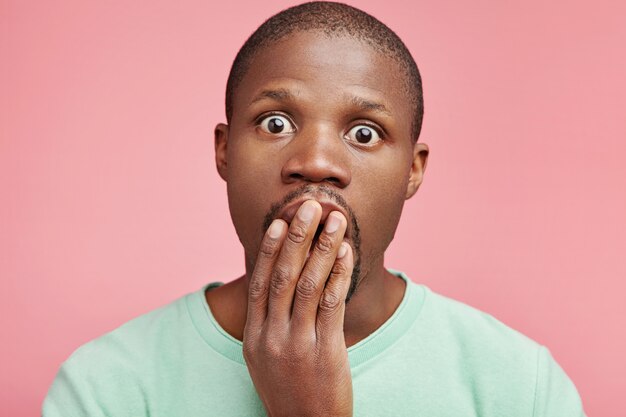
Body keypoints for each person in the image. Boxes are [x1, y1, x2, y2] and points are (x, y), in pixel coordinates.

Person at [43, 2, 586, 416]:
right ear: (224, 151)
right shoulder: (103, 389)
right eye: (275, 123)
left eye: (364, 132)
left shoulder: (521, 386)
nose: (318, 162)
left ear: (413, 171)